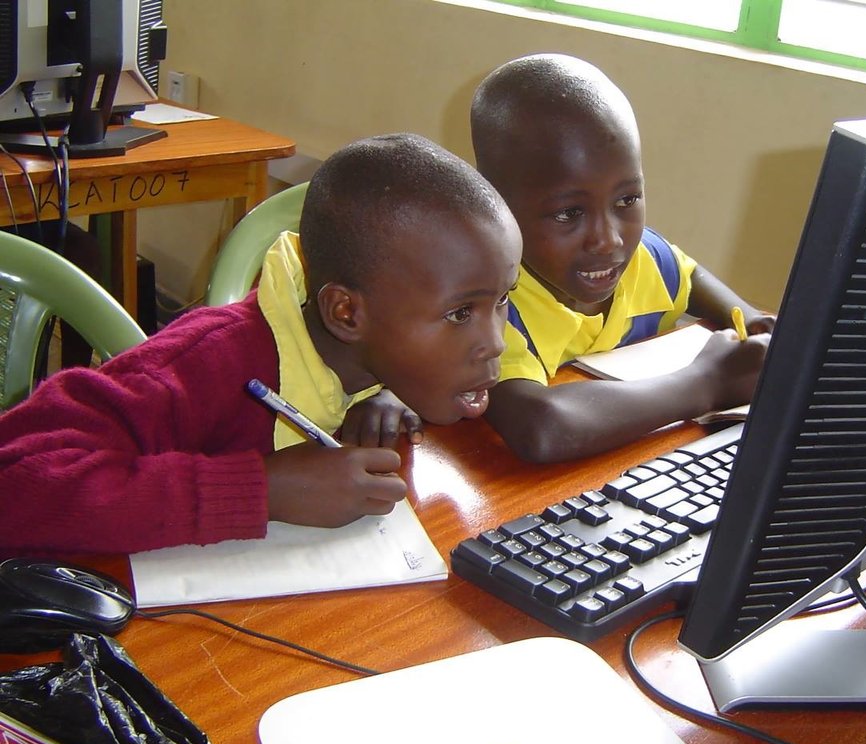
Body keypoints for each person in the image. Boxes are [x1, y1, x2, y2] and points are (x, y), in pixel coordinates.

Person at [0, 133, 522, 556]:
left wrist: (384, 392)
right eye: (460, 313)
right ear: (346, 313)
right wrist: (262, 491)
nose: (496, 342)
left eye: (502, 300)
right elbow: (15, 483)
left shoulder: (370, 347)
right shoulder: (204, 364)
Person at [470, 53, 774, 463]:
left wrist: (748, 315)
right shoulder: (485, 307)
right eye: (568, 213)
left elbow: (687, 274)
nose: (608, 240)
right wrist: (710, 380)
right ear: (496, 205)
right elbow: (542, 429)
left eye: (627, 199)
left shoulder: (640, 262)